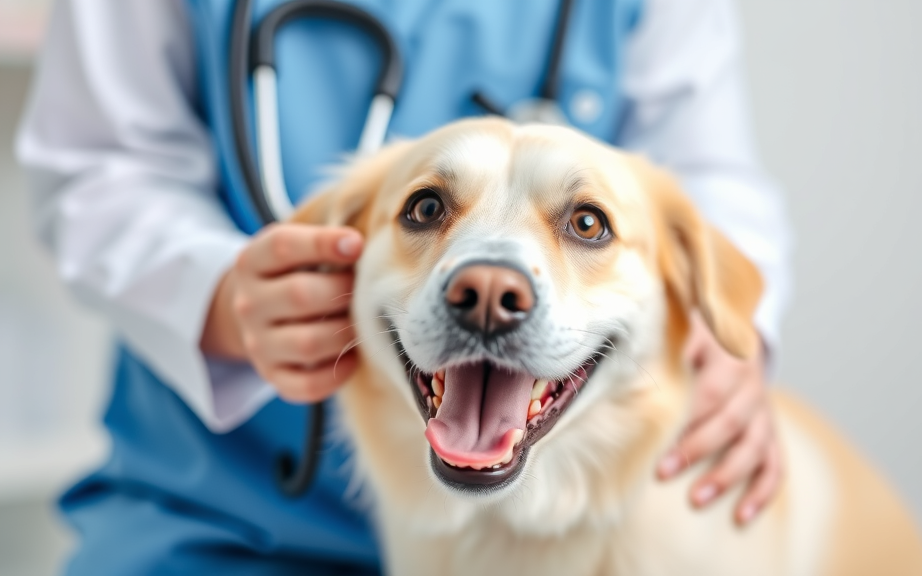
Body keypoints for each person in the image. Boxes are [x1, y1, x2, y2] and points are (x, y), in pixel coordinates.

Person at [17, 0, 792, 573]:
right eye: (427, 208)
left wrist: (731, 336)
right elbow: (98, 164)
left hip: (590, 530)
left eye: (583, 223)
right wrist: (219, 297)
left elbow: (706, 178)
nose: (489, 286)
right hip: (221, 513)